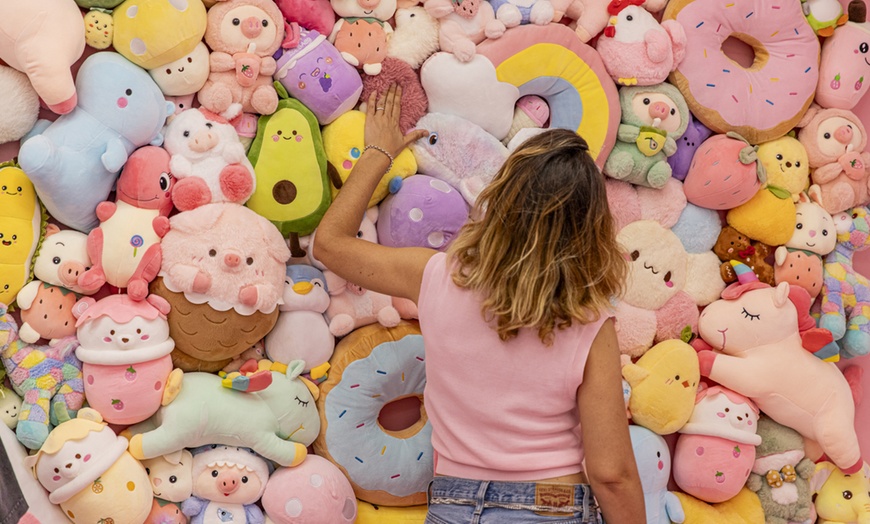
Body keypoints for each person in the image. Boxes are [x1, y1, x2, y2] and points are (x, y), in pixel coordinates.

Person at [314, 84, 645, 523]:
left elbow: (329, 245)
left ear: (501, 199)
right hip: (553, 504)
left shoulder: (435, 277)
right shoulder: (589, 321)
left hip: (455, 505)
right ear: (589, 228)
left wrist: (379, 153)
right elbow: (611, 473)